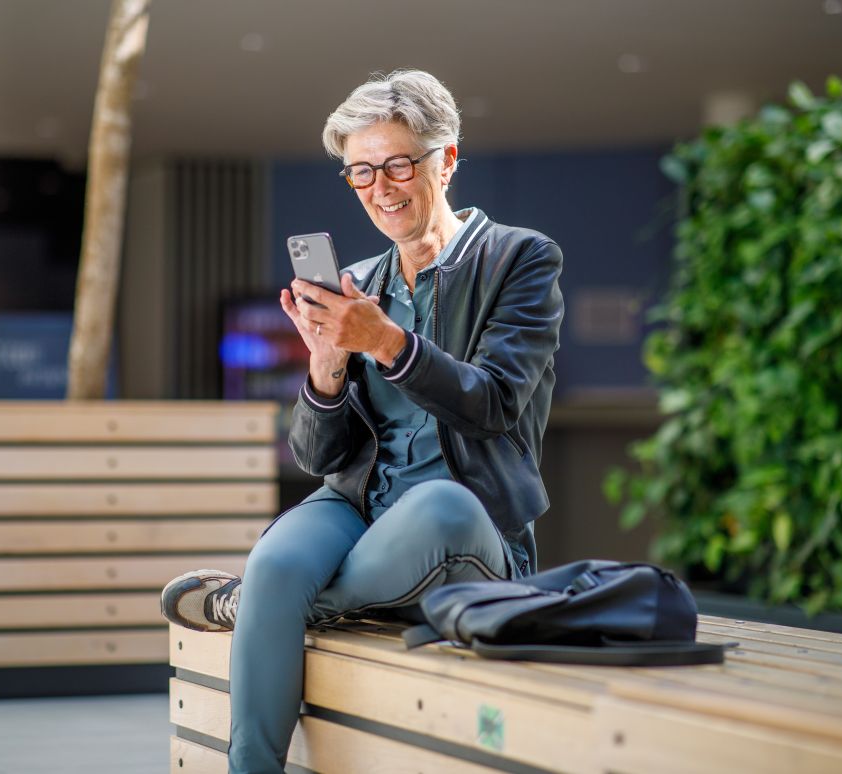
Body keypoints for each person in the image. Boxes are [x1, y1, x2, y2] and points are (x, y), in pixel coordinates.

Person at [161, 69, 563, 772]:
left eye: (398, 164)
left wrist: (386, 343)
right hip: (359, 507)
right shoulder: (362, 282)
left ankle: (256, 604)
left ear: (447, 160)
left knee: (436, 506)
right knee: (277, 558)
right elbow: (319, 458)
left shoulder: (518, 259)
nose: (381, 188)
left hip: (468, 524)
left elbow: (495, 404)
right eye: (361, 172)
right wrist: (325, 367)